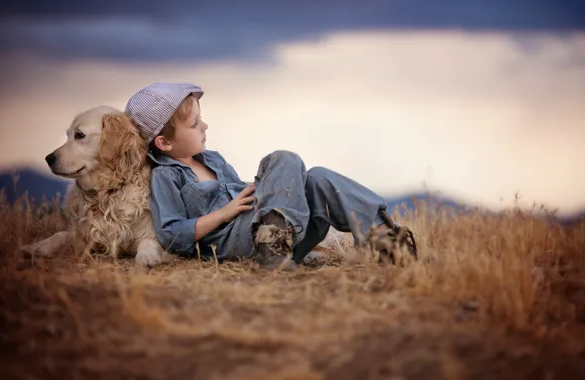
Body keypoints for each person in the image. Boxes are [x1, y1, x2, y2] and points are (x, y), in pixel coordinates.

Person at [124, 82, 417, 271]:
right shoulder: (165, 175)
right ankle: (271, 244)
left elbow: (248, 195)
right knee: (284, 158)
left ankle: (388, 239)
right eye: (195, 123)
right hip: (236, 240)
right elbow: (171, 234)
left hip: (275, 237)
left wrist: (272, 186)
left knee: (317, 176)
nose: (205, 126)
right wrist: (222, 214)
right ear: (164, 143)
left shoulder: (213, 160)